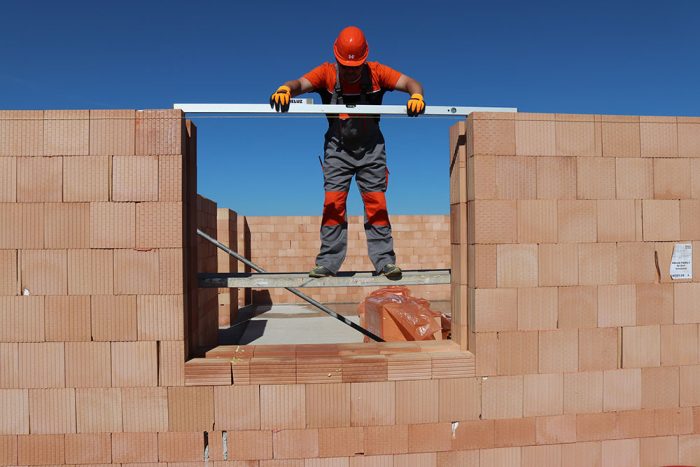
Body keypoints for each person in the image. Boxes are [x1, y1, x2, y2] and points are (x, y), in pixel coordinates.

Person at [270, 26, 425, 278]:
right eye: (346, 66)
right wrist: (286, 89)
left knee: (376, 205)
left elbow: (411, 82)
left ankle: (384, 261)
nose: (351, 71)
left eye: (356, 67)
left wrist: (416, 95)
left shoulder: (377, 72)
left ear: (364, 59)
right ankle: (328, 263)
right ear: (337, 60)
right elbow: (298, 83)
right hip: (337, 150)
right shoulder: (326, 73)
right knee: (333, 204)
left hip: (372, 149)